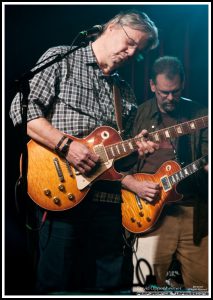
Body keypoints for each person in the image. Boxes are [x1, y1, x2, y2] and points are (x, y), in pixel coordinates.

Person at [9, 10, 159, 295]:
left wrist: (137, 147)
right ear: (112, 27)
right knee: (57, 284)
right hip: (61, 193)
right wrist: (66, 146)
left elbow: (119, 157)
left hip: (107, 201)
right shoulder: (62, 58)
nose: (130, 53)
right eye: (129, 43)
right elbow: (22, 109)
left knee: (109, 285)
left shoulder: (124, 90)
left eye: (136, 51)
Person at [122, 56, 208, 294]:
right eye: (164, 92)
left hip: (194, 213)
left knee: (201, 287)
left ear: (183, 84)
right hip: (149, 213)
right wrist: (134, 186)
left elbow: (206, 154)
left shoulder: (201, 114)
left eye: (176, 91)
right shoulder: (138, 115)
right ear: (152, 86)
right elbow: (117, 166)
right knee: (147, 288)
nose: (171, 98)